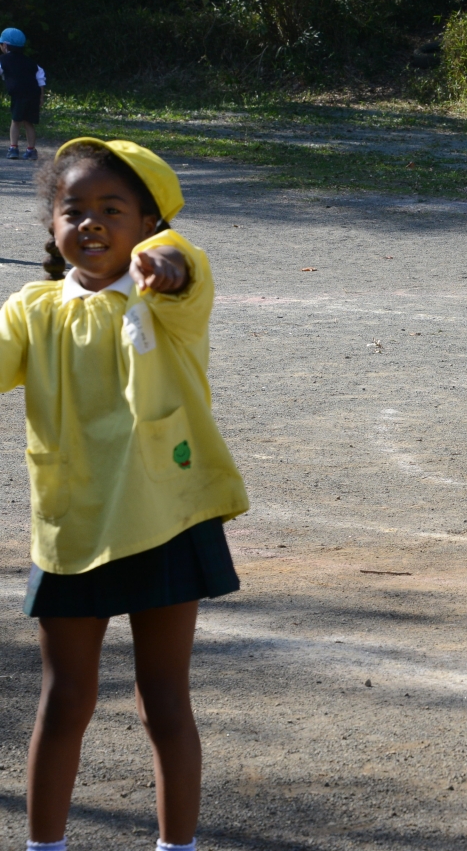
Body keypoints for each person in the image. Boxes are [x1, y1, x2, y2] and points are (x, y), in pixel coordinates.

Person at [12, 138, 250, 851]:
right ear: (52, 227)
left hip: (164, 515)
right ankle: (42, 847)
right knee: (63, 700)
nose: (89, 222)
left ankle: (177, 847)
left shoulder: (166, 297)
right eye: (72, 209)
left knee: (164, 701)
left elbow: (183, 269)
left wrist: (165, 264)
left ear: (148, 223)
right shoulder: (30, 311)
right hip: (72, 525)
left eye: (111, 209)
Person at [0, 28, 44, 160]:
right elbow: (40, 77)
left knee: (16, 121)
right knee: (28, 122)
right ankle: (31, 150)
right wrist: (41, 97)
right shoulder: (31, 62)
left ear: (5, 45)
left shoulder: (3, 60)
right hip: (33, 94)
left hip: (18, 94)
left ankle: (13, 148)